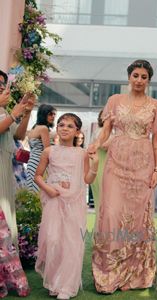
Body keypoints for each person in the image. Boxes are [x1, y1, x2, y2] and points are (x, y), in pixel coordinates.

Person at [90, 60, 157, 293]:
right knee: (111, 214)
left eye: (144, 77)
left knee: (137, 218)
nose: (139, 80)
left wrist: (156, 170)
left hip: (143, 165)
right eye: (136, 75)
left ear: (149, 80)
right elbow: (106, 130)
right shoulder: (114, 100)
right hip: (116, 162)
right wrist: (96, 144)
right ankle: (109, 273)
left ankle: (134, 274)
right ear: (129, 77)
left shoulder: (156, 105)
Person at [35, 113, 98, 300]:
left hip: (74, 202)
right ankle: (54, 281)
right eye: (61, 124)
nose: (64, 128)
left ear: (77, 131)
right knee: (53, 240)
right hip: (54, 201)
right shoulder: (49, 151)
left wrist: (95, 166)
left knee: (71, 242)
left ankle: (66, 286)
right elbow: (38, 175)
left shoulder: (82, 153)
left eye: (70, 126)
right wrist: (49, 189)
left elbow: (87, 179)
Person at [0, 70, 35, 245]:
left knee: (6, 217)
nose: (0, 87)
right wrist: (14, 114)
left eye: (2, 83)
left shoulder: (4, 111)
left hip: (5, 170)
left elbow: (19, 136)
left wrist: (26, 113)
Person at [26, 104, 56, 193]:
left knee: (32, 192)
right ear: (44, 115)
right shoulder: (43, 129)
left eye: (54, 114)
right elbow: (48, 150)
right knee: (41, 193)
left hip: (32, 163)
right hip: (40, 164)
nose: (53, 116)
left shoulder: (34, 128)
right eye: (50, 114)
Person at [89, 110, 108, 231]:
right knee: (102, 201)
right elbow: (105, 145)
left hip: (105, 166)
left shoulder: (103, 131)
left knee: (103, 202)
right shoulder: (101, 131)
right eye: (104, 114)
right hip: (100, 166)